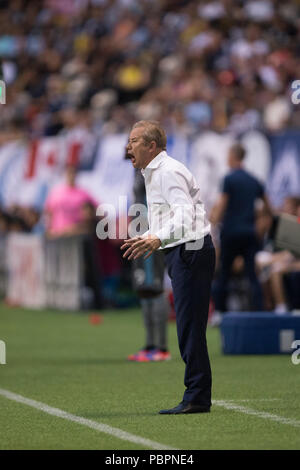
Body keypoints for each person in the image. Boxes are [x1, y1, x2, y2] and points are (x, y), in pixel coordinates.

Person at [121, 120, 215, 414]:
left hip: (191, 250)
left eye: (135, 141)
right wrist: (155, 237)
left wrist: (156, 237)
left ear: (152, 146)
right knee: (189, 326)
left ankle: (197, 397)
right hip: (182, 250)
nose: (128, 146)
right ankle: (197, 394)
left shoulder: (168, 172)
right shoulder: (154, 172)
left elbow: (185, 215)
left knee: (190, 327)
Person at [210, 143, 272, 325]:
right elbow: (268, 208)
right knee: (252, 275)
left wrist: (212, 223)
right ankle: (260, 313)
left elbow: (222, 204)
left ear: (233, 156)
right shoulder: (254, 180)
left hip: (230, 232)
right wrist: (261, 227)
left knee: (224, 274)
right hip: (250, 233)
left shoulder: (229, 179)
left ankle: (220, 313)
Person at [127, 168, 171, 362]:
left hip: (150, 235)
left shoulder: (153, 171)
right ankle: (150, 344)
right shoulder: (139, 172)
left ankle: (162, 348)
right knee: (144, 287)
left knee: (155, 286)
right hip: (140, 233)